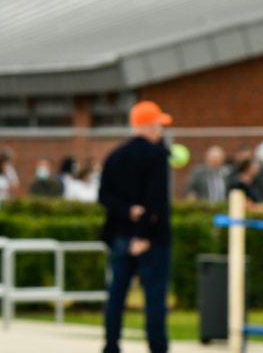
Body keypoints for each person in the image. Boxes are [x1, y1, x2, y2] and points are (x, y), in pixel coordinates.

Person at [98, 100, 173, 353]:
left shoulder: (115, 155)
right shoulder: (157, 155)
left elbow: (104, 195)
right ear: (150, 126)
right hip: (150, 239)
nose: (160, 130)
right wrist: (143, 234)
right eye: (159, 125)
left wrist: (127, 210)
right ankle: (157, 347)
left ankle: (111, 346)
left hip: (120, 235)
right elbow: (156, 200)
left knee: (116, 296)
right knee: (154, 298)